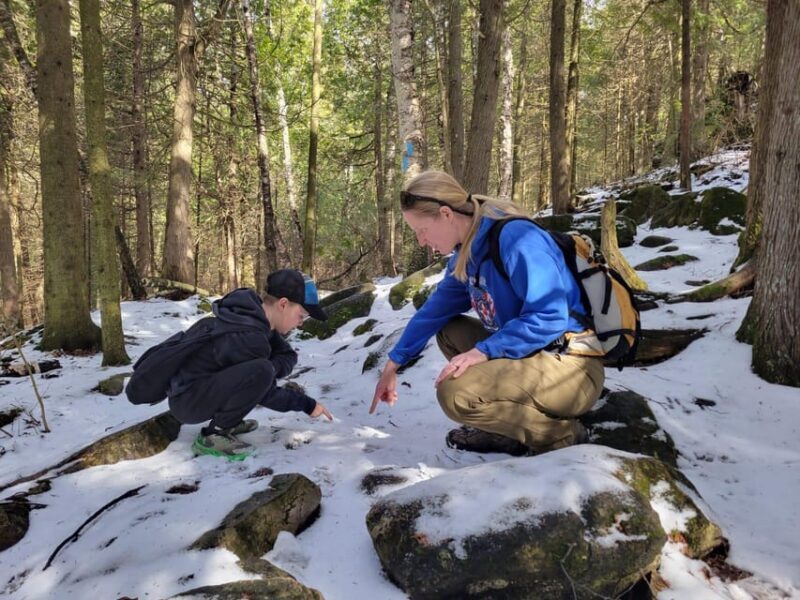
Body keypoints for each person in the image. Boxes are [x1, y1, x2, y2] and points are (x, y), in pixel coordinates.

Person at [369, 171, 605, 455]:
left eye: (422, 230)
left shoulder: (518, 241)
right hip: (533, 358)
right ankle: (509, 427)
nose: (421, 241)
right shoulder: (466, 254)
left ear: (446, 214)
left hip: (572, 369)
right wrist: (393, 364)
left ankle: (560, 436)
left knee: (455, 394)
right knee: (448, 329)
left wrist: (483, 351)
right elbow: (433, 313)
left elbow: (550, 316)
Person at [169, 269, 333, 460]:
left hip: (196, 392)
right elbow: (266, 393)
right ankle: (214, 435)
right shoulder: (247, 336)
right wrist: (307, 404)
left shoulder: (254, 320)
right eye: (301, 315)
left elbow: (287, 355)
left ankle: (228, 421)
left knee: (262, 371)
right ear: (283, 304)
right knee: (261, 372)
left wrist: (270, 370)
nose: (301, 323)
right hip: (189, 401)